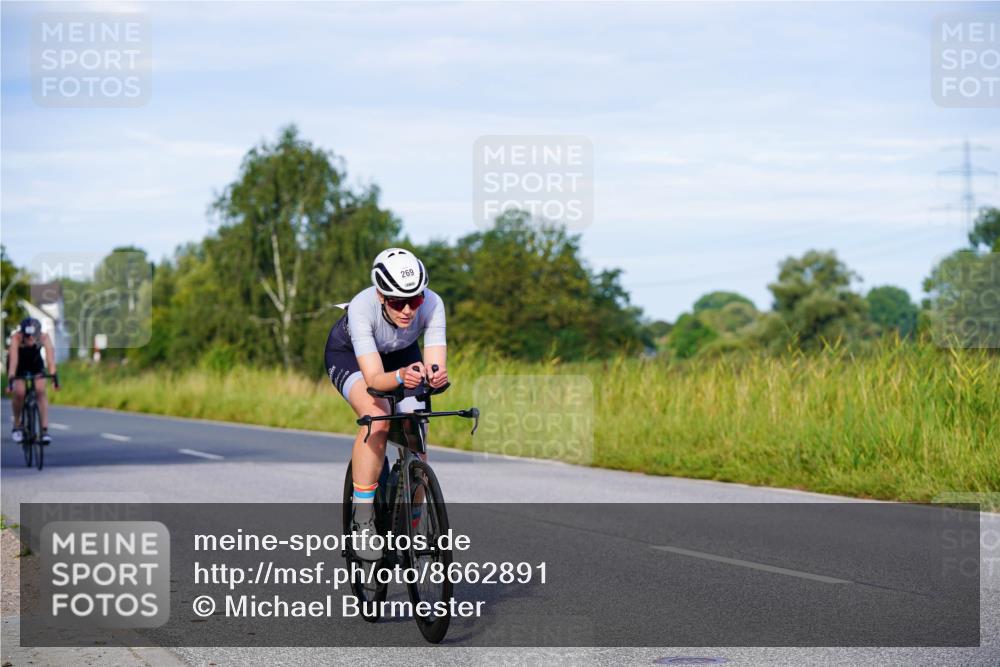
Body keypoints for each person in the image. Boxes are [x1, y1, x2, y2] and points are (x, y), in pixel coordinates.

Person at [325, 248, 447, 559]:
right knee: (377, 416)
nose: (408, 310)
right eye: (397, 302)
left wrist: (435, 377)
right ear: (381, 295)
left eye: (415, 300)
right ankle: (363, 519)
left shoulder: (433, 304)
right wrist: (401, 376)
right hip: (352, 357)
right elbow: (376, 379)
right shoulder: (363, 308)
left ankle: (412, 521)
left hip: (402, 354)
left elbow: (434, 364)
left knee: (416, 428)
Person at [6, 317, 59, 444]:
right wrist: (11, 381)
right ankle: (17, 424)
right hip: (20, 365)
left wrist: (54, 379)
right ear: (22, 333)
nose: (30, 339)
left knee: (40, 390)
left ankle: (44, 431)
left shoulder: (44, 338)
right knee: (20, 392)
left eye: (33, 336)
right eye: (27, 336)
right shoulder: (16, 338)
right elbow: (13, 362)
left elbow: (50, 360)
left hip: (36, 365)